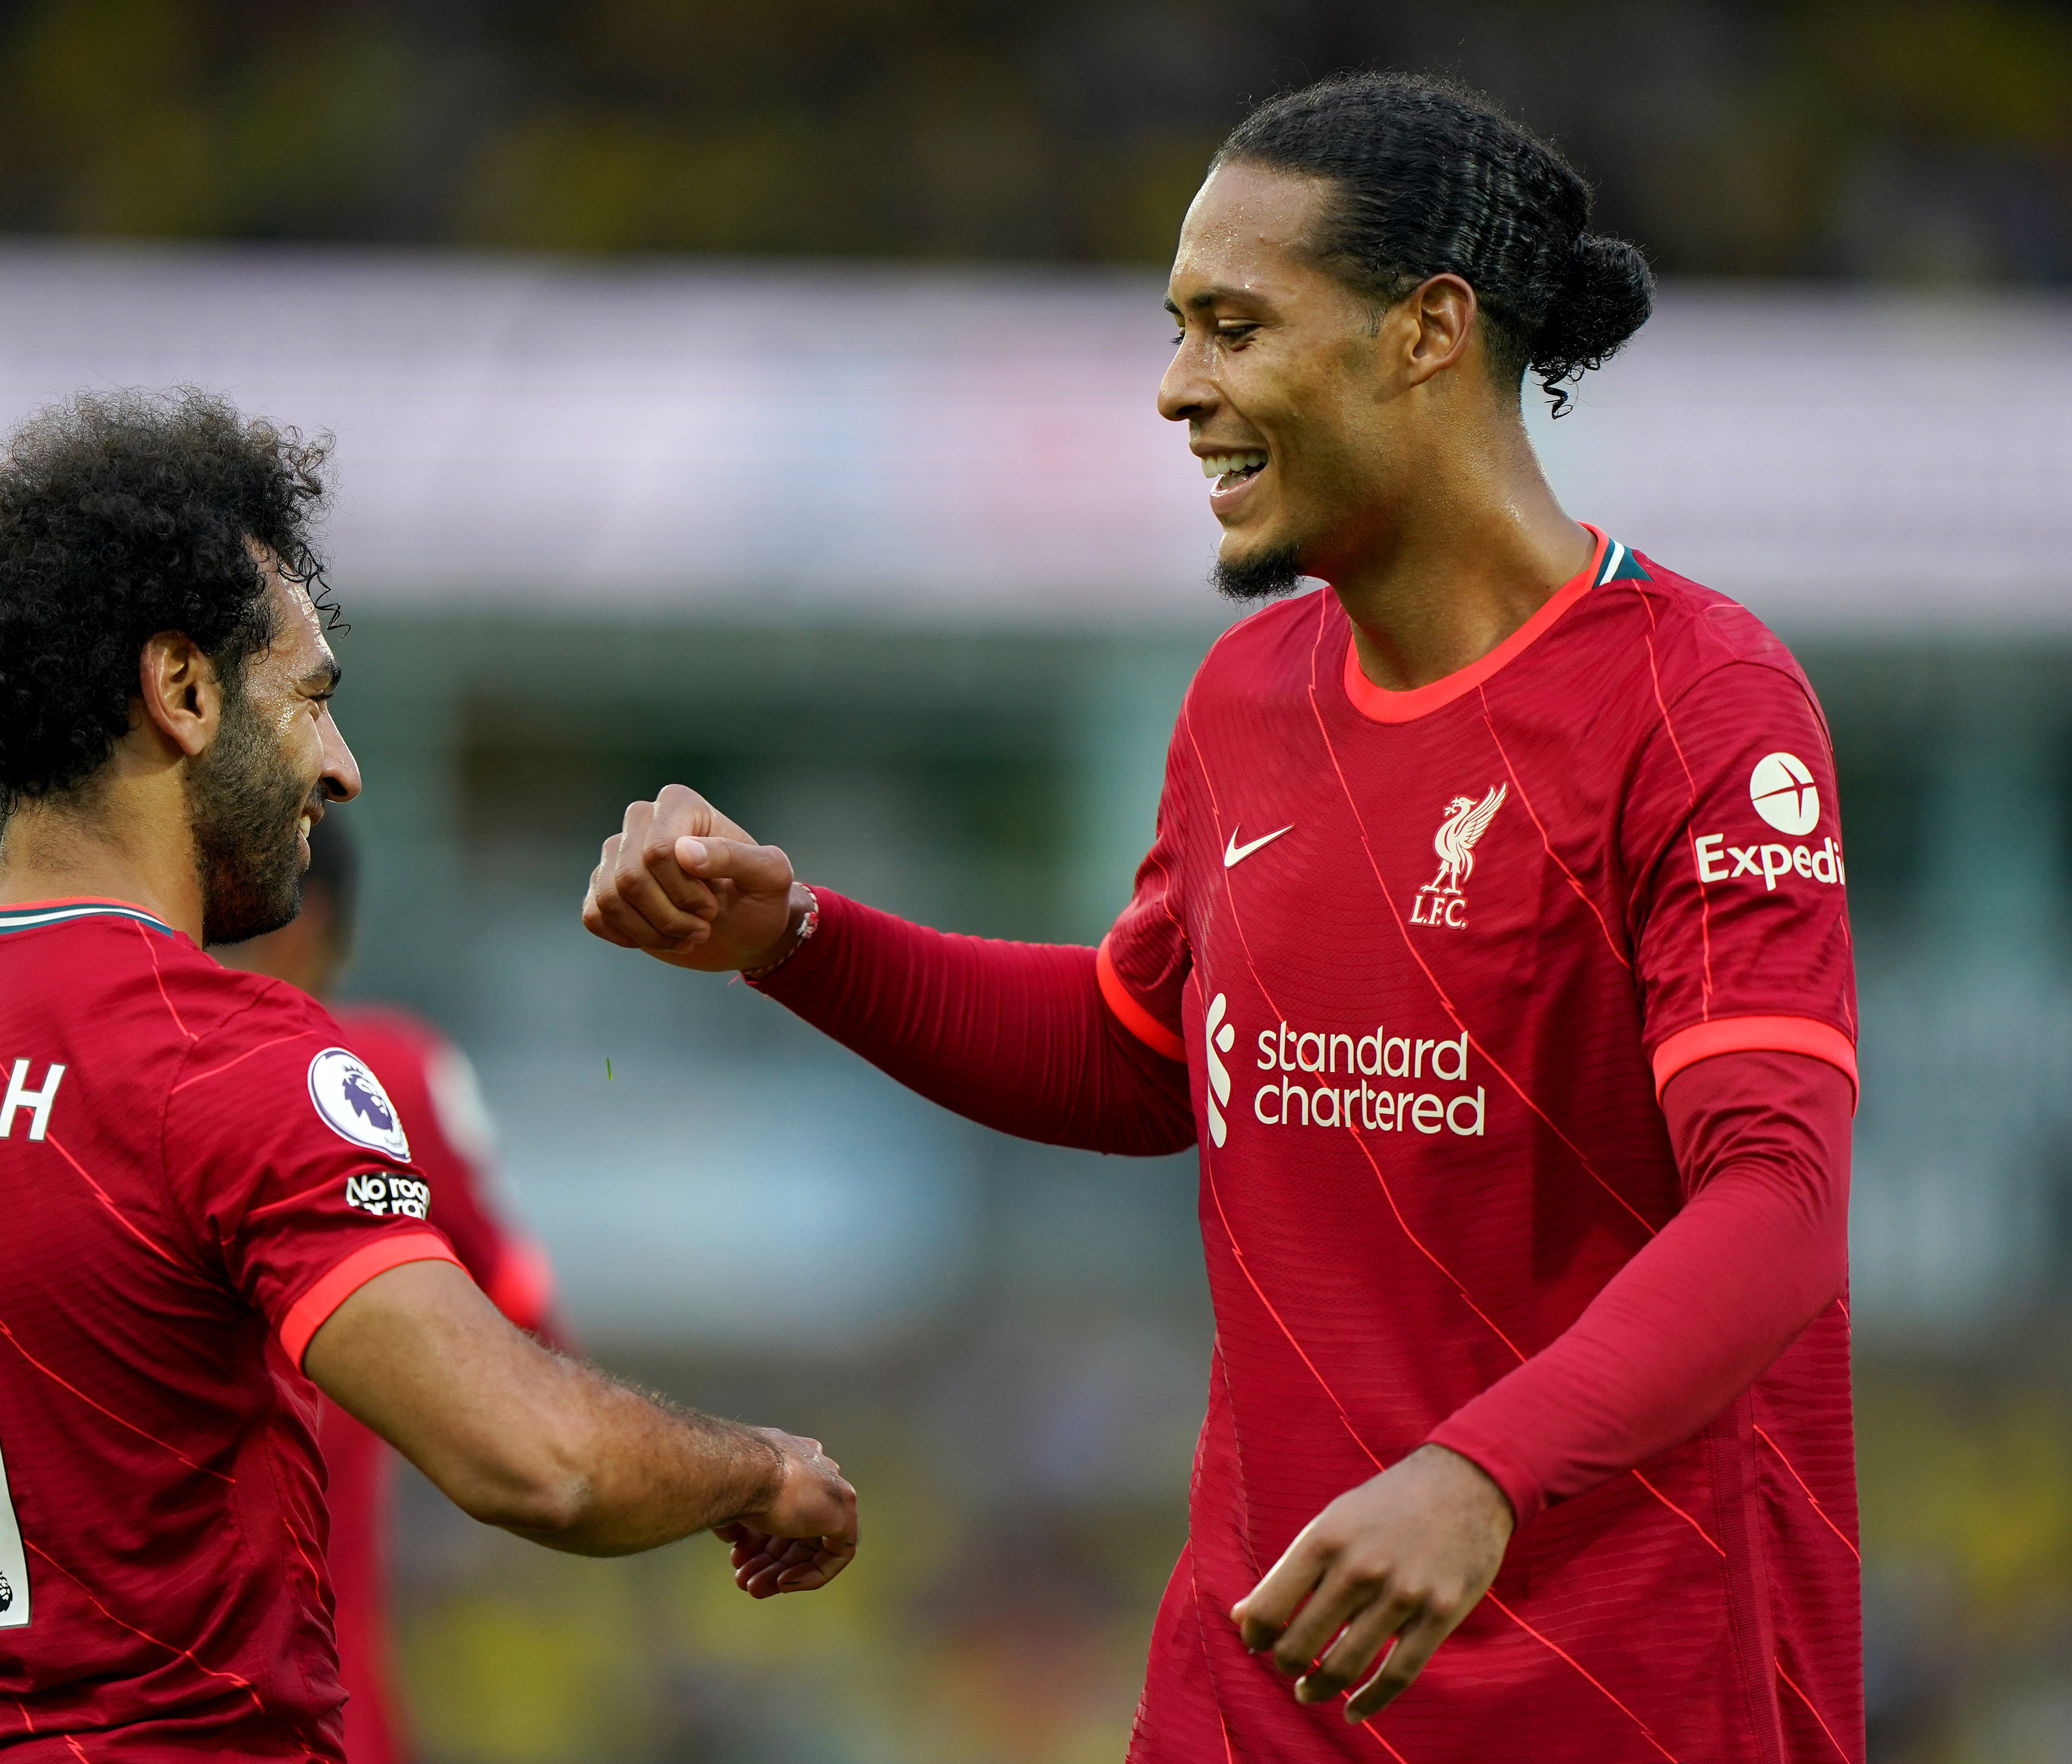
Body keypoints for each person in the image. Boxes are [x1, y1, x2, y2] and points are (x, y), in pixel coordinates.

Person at [583, 73, 1857, 1763]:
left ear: (1426, 332)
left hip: (1620, 1687)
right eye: (1177, 328)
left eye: (1234, 325)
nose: (1179, 388)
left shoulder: (1694, 703)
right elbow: (1139, 1054)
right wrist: (792, 937)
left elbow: (1771, 1200)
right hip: (1262, 1689)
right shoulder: (1248, 694)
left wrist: (1477, 1469)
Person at [0, 387, 857, 1764]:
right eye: (313, 700)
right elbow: (541, 1457)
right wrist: (759, 1466)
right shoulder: (222, 1058)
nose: (340, 769)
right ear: (182, 691)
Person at [221, 815, 564, 1764]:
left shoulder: (60, 1080)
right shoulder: (381, 1074)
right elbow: (526, 1318)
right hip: (311, 1708)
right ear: (311, 918)